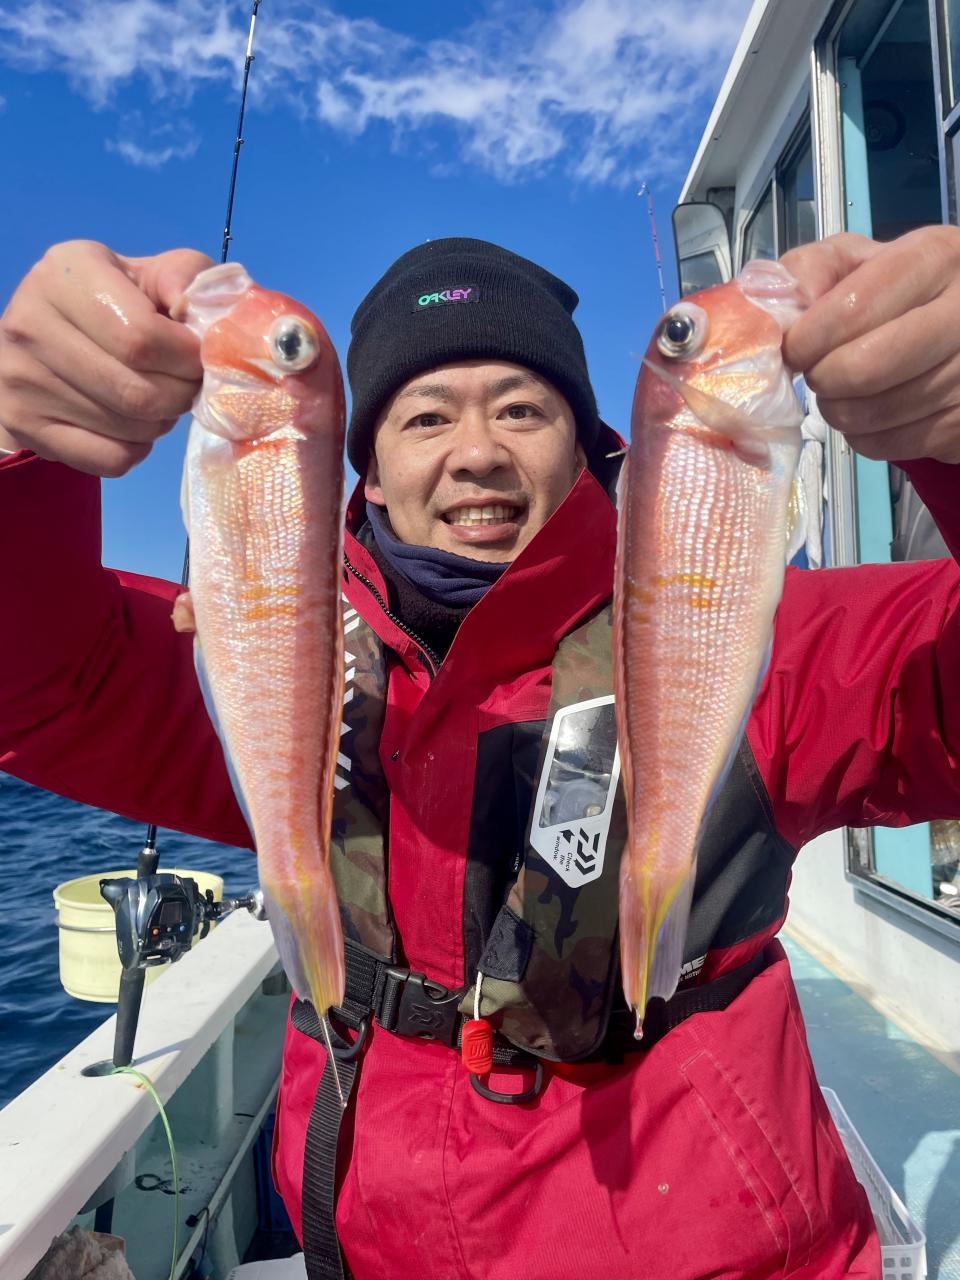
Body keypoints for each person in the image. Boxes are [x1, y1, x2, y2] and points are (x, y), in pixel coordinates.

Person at [2, 228, 960, 1280]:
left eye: (520, 408)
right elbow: (33, 677)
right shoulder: (277, 664)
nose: (477, 453)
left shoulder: (736, 632)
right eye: (425, 416)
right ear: (366, 470)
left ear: (586, 442)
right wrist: (18, 445)